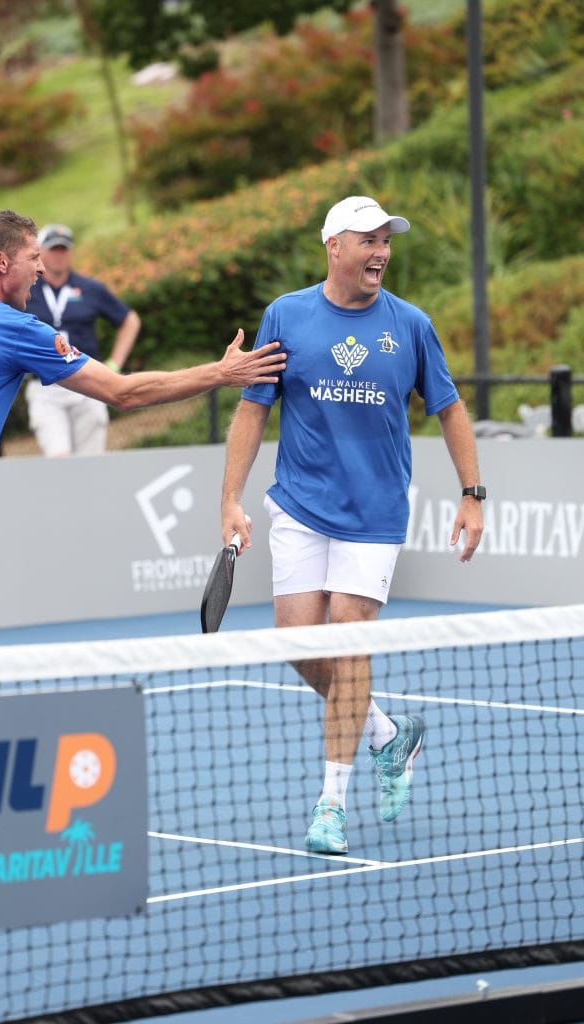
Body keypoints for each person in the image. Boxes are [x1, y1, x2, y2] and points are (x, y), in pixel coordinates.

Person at [0, 208, 286, 697]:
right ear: (0, 262)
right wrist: (221, 373)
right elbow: (123, 392)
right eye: (33, 257)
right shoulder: (14, 328)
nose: (41, 268)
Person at [220, 195, 484, 855]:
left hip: (375, 513)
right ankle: (388, 734)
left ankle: (330, 804)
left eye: (386, 241)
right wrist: (230, 499)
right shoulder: (286, 315)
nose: (381, 252)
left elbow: (449, 408)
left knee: (348, 643)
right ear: (333, 246)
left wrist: (472, 493)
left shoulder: (411, 325)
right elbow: (253, 408)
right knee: (296, 645)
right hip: (300, 506)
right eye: (368, 240)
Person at [24, 223, 142, 456]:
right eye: (53, 249)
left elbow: (130, 321)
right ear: (40, 252)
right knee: (59, 457)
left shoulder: (90, 288)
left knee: (90, 460)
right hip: (45, 386)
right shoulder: (28, 288)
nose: (59, 255)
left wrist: (114, 364)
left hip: (88, 383)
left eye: (64, 249)